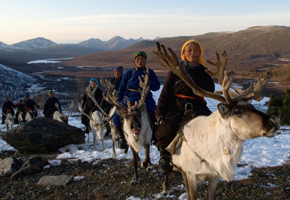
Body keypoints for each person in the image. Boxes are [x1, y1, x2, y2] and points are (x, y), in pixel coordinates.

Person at [155, 39, 215, 175]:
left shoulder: (204, 71)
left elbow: (210, 89)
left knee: (212, 128)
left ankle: (209, 158)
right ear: (183, 53)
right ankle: (165, 155)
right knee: (166, 128)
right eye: (190, 50)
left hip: (198, 105)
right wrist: (159, 113)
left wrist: (195, 83)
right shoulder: (175, 70)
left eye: (196, 50)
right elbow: (165, 92)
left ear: (200, 53)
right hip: (177, 105)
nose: (193, 53)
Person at [113, 51, 160, 149]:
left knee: (155, 115)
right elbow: (122, 86)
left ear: (145, 61)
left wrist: (147, 82)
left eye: (142, 59)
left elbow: (157, 86)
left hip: (144, 98)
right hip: (129, 99)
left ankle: (155, 137)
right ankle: (122, 138)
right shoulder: (129, 73)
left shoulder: (150, 72)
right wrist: (119, 99)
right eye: (137, 59)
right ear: (135, 61)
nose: (140, 61)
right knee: (116, 116)